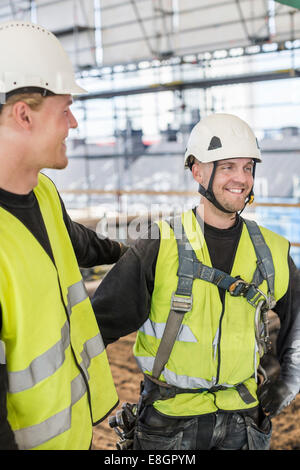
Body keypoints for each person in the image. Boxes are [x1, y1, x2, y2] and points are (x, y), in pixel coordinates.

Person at [92, 113, 300, 450]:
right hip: (169, 423)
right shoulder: (158, 245)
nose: (242, 178)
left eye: (248, 167)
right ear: (198, 171)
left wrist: (288, 380)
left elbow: (299, 315)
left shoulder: (273, 251)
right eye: (228, 166)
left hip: (244, 423)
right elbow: (97, 325)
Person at [0, 21, 128, 450]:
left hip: (77, 436)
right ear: (24, 114)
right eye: (65, 108)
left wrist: (133, 252)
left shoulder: (43, 192)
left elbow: (75, 241)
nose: (73, 122)